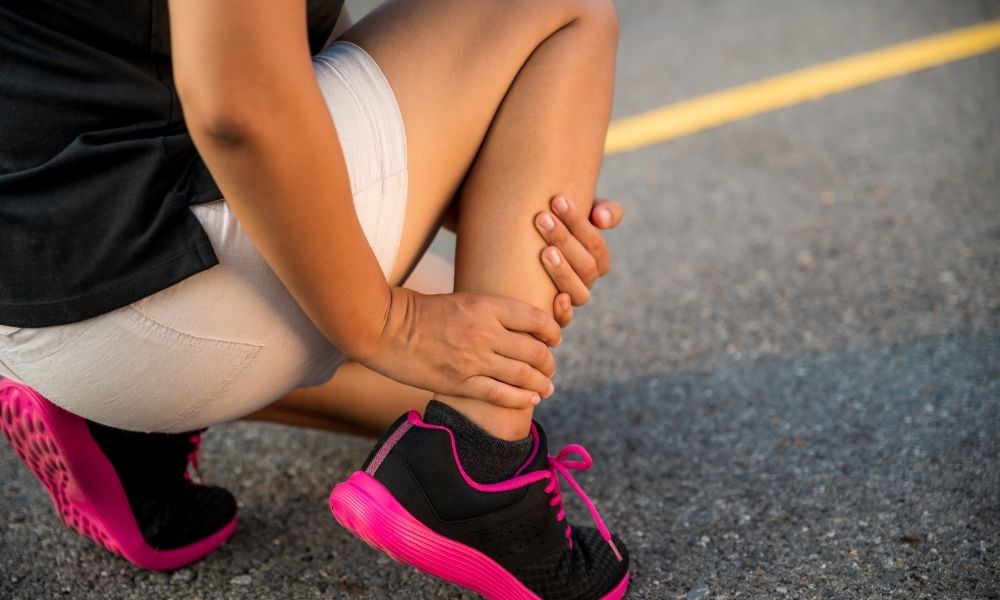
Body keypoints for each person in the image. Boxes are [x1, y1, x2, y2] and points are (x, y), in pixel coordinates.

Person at [0, 1, 627, 598]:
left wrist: (491, 170)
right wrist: (390, 326)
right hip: (152, 259)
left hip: (35, 293)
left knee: (492, 354)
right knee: (566, 11)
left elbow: (302, 37)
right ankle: (481, 462)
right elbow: (237, 101)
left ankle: (119, 422)